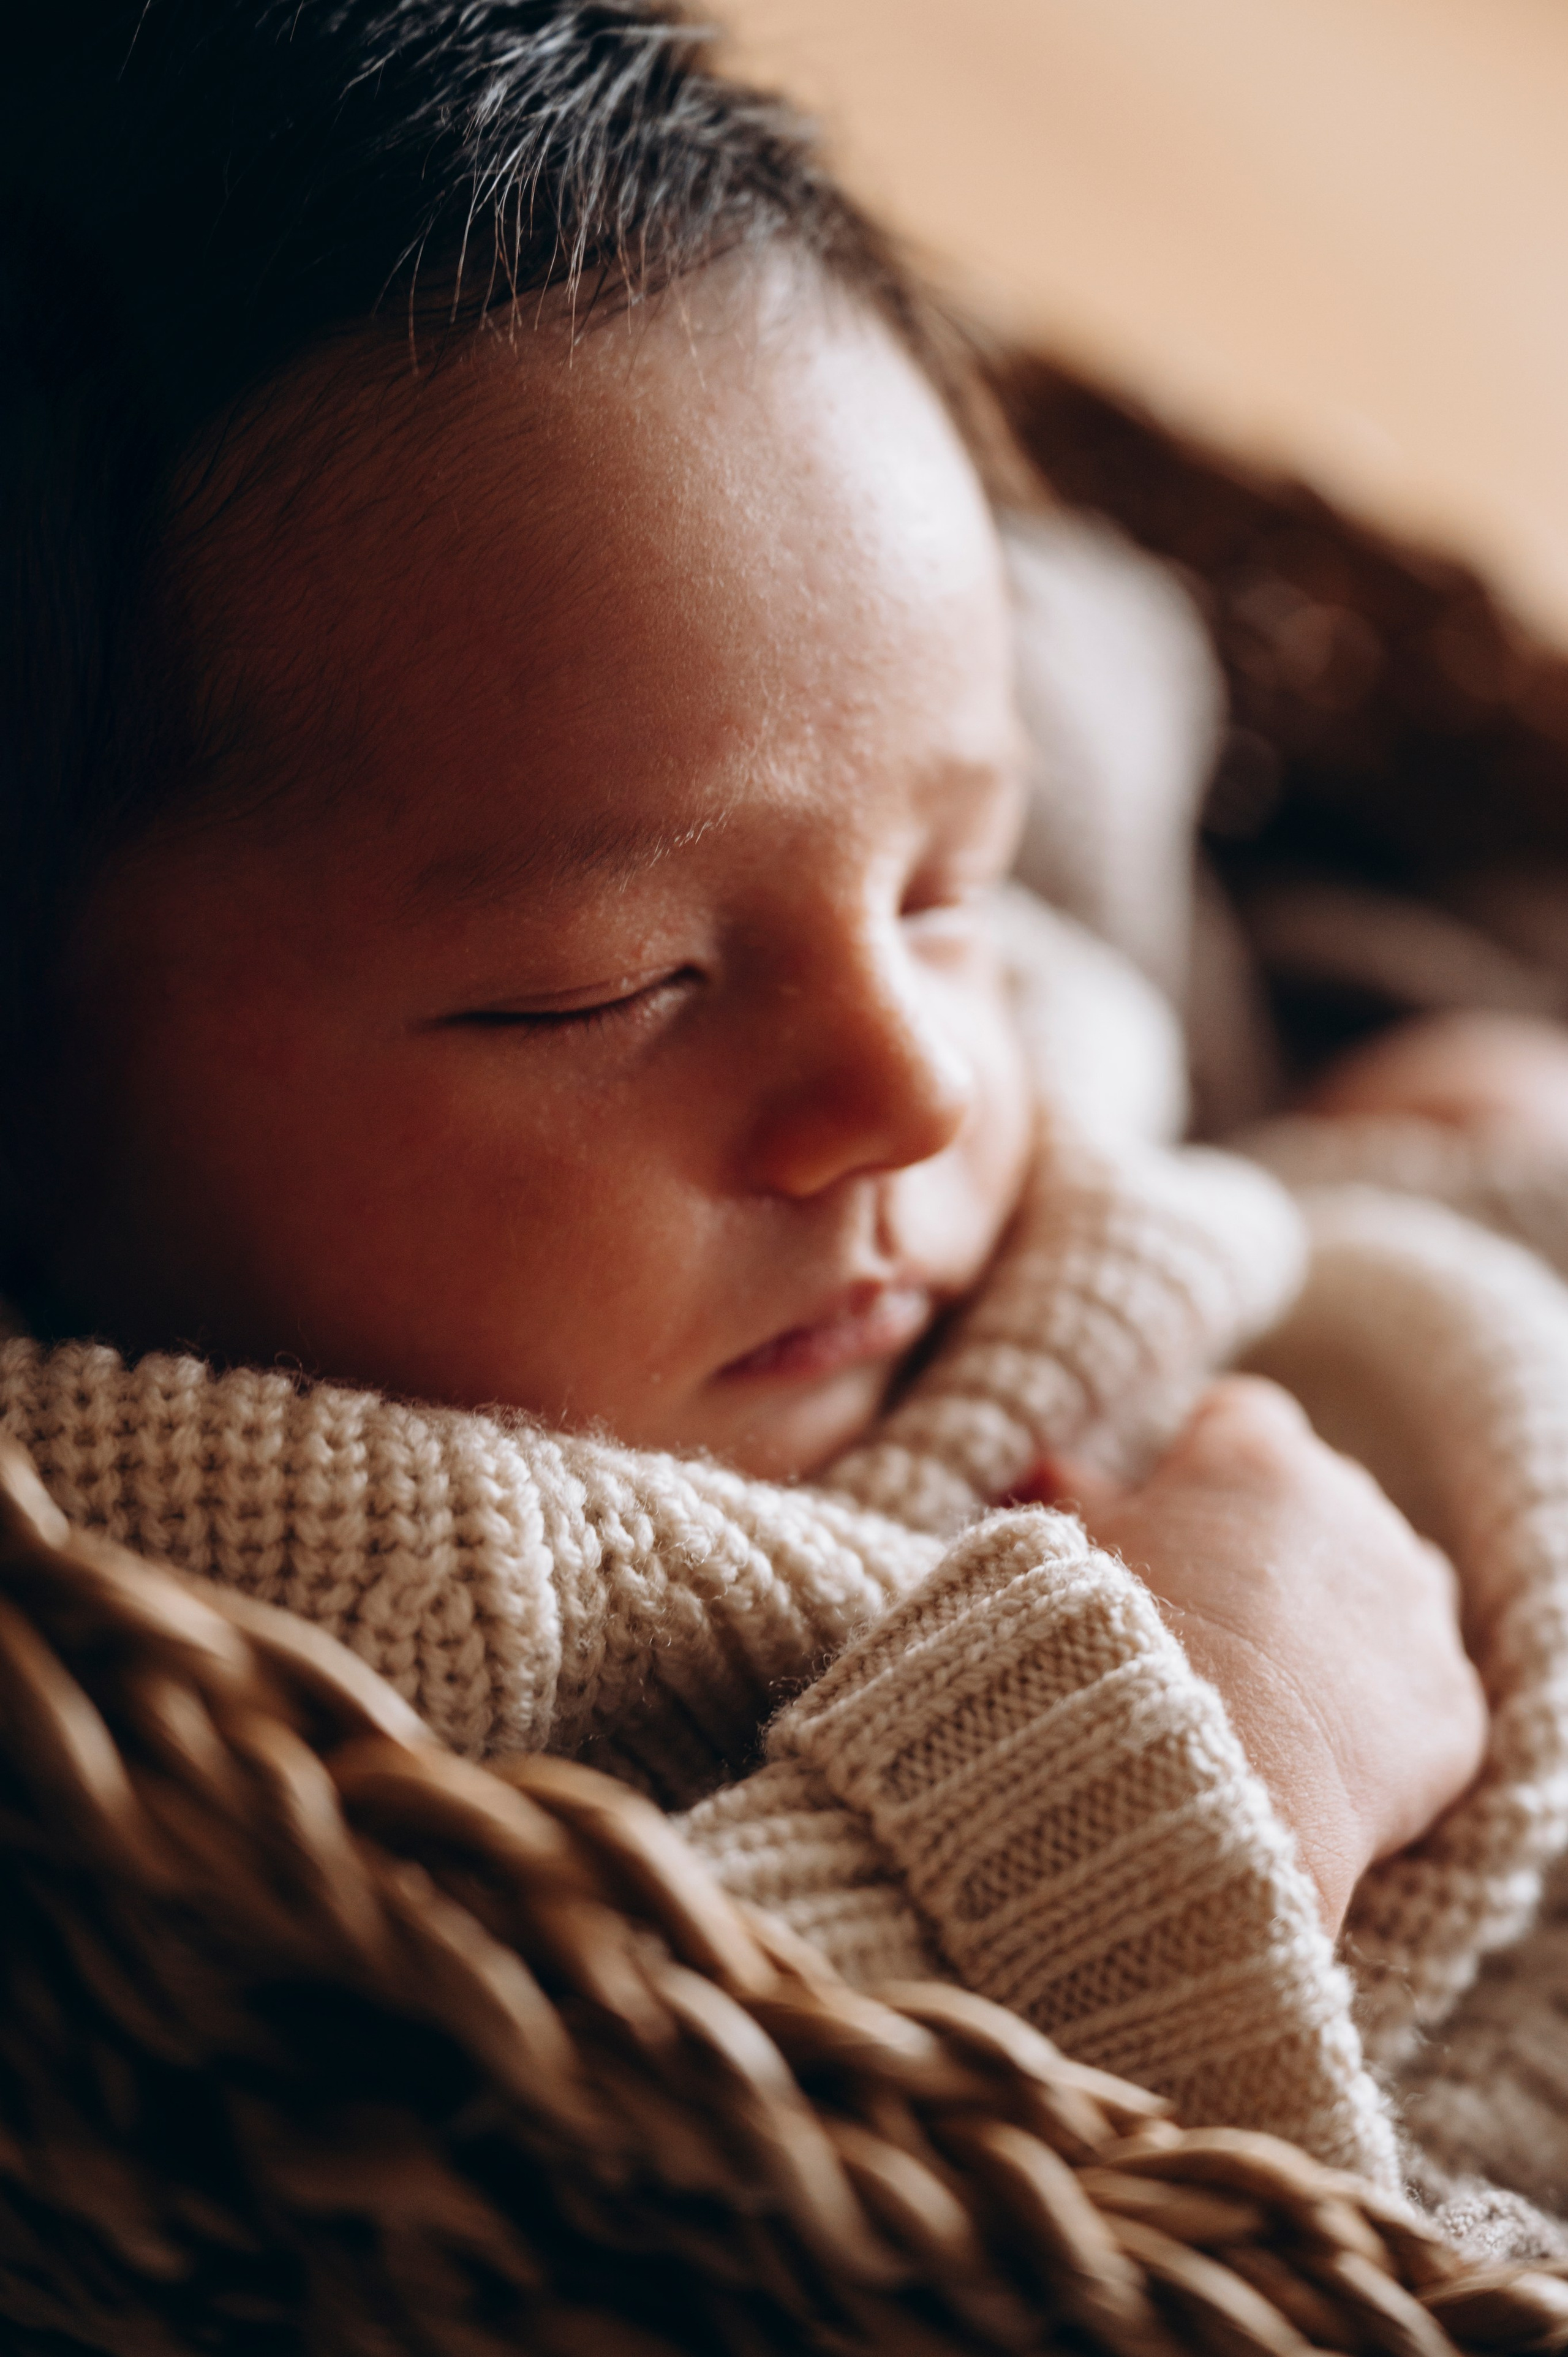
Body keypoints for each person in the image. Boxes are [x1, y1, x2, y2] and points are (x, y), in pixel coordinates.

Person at [6, 0, 1565, 2220]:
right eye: (611, 988)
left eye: (956, 881)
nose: (920, 1083)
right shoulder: (204, 1685)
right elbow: (576, 2207)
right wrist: (1187, 1759)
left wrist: (1437, 1160)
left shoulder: (963, 1027)